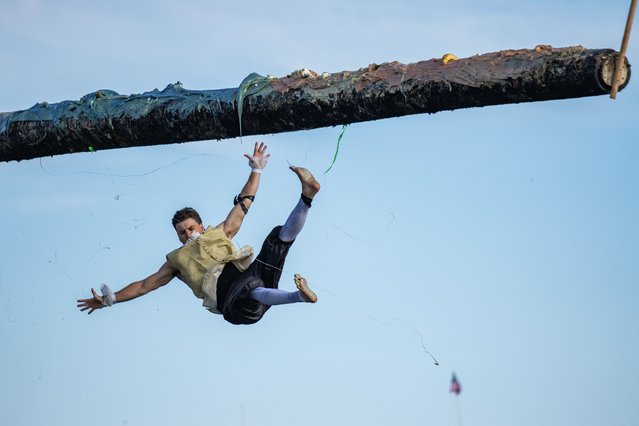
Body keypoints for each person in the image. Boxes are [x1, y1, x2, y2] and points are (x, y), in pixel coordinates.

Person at [77, 142, 320, 325]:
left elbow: (245, 202)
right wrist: (112, 299)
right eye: (181, 233)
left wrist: (256, 170)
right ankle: (298, 296)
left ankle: (307, 196)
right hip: (230, 300)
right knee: (251, 290)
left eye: (191, 228)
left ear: (202, 227)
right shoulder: (175, 262)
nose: (187, 234)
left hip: (249, 274)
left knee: (277, 238)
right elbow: (144, 285)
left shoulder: (219, 232)